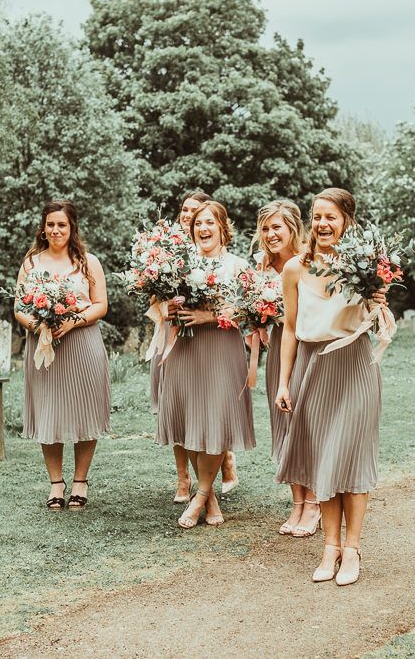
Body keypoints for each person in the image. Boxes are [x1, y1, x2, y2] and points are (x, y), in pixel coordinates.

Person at [275, 188, 384, 584]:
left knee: (350, 456)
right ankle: (330, 548)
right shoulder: (294, 269)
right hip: (312, 368)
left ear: (346, 221)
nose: (322, 224)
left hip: (354, 365)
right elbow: (289, 329)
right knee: (324, 460)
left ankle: (352, 550)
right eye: (317, 217)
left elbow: (377, 312)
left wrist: (379, 294)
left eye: (330, 217)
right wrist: (284, 382)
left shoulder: (366, 266)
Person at [156, 201, 255, 528]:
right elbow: (163, 308)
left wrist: (209, 316)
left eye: (210, 222)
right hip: (186, 349)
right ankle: (209, 497)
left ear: (223, 227)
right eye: (198, 223)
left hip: (222, 350)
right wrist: (171, 310)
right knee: (194, 422)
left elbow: (250, 312)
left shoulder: (239, 266)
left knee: (215, 420)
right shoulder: (178, 267)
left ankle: (199, 497)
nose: (203, 229)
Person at [15, 200, 111, 510]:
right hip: (44, 347)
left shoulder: (88, 262)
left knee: (86, 408)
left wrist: (72, 321)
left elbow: (100, 305)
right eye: (51, 224)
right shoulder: (31, 263)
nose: (56, 230)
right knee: (49, 411)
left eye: (62, 225)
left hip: (82, 344)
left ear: (72, 228)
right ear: (42, 227)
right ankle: (56, 482)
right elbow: (18, 307)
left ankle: (80, 480)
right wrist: (38, 324)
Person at [250, 201, 319, 537]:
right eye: (265, 228)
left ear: (293, 227)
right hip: (279, 347)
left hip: (308, 345)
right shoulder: (261, 267)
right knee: (284, 422)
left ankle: (315, 502)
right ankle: (297, 502)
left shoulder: (310, 259)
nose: (270, 234)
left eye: (276, 227)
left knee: (308, 423)